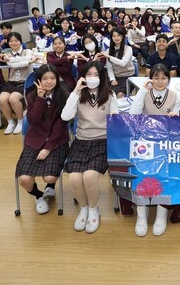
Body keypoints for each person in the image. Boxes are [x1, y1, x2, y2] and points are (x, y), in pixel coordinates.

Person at [61, 61, 119, 233]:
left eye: (96, 75)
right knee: (74, 177)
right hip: (81, 140)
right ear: (83, 77)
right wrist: (75, 91)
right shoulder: (78, 94)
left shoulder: (109, 95)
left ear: (102, 77)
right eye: (89, 74)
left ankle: (94, 210)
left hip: (102, 140)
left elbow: (116, 118)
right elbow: (66, 116)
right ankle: (84, 208)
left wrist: (114, 117)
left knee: (89, 176)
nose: (92, 78)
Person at [129, 63, 180, 236]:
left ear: (169, 79)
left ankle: (161, 214)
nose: (160, 81)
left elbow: (177, 119)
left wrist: (175, 115)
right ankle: (141, 214)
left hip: (166, 143)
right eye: (156, 78)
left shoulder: (174, 95)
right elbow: (133, 114)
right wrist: (142, 92)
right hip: (144, 143)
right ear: (150, 78)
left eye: (164, 78)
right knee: (141, 174)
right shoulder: (145, 93)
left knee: (165, 174)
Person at [16, 64, 70, 215]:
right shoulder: (31, 96)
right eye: (45, 78)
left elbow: (61, 125)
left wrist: (48, 147)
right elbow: (33, 120)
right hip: (34, 140)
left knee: (50, 177)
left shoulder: (64, 96)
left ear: (57, 79)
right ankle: (39, 196)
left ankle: (50, 187)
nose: (49, 82)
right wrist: (40, 98)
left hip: (57, 141)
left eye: (52, 78)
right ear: (38, 80)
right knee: (24, 179)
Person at [0, 32, 37, 135]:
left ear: (20, 41)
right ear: (8, 42)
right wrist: (28, 62)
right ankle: (10, 122)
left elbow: (26, 59)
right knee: (2, 99)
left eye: (16, 41)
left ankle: (20, 122)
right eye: (11, 41)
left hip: (26, 82)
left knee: (13, 99)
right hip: (12, 82)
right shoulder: (7, 54)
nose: (13, 43)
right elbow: (13, 65)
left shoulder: (28, 51)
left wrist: (14, 60)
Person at [98, 28, 135, 98]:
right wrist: (112, 79)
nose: (116, 38)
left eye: (118, 35)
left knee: (119, 94)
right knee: (109, 94)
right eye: (114, 36)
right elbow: (109, 68)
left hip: (128, 77)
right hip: (115, 76)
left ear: (122, 37)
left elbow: (123, 63)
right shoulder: (109, 51)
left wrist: (109, 57)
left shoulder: (128, 49)